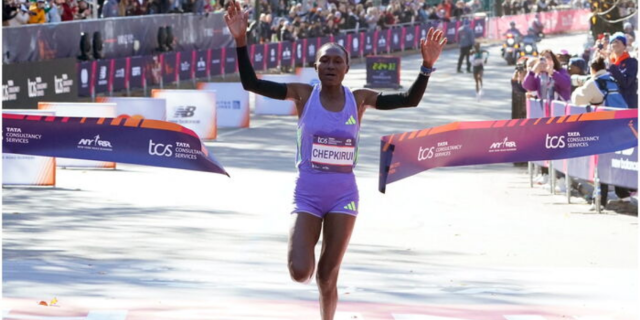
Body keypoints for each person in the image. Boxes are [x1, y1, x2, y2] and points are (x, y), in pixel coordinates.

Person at [224, 2, 447, 319]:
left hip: (343, 196)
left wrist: (427, 66)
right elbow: (252, 84)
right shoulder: (303, 94)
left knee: (327, 276)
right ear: (315, 67)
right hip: (308, 194)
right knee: (301, 272)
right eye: (324, 61)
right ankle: (308, 249)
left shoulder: (360, 99)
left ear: (347, 68)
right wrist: (240, 41)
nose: (330, 66)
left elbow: (409, 100)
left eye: (337, 61)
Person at [607, 32, 638, 109]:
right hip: (611, 104)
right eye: (613, 42)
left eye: (617, 41)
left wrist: (612, 67)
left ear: (624, 46)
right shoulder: (607, 62)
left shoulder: (631, 62)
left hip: (627, 104)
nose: (615, 43)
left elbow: (626, 82)